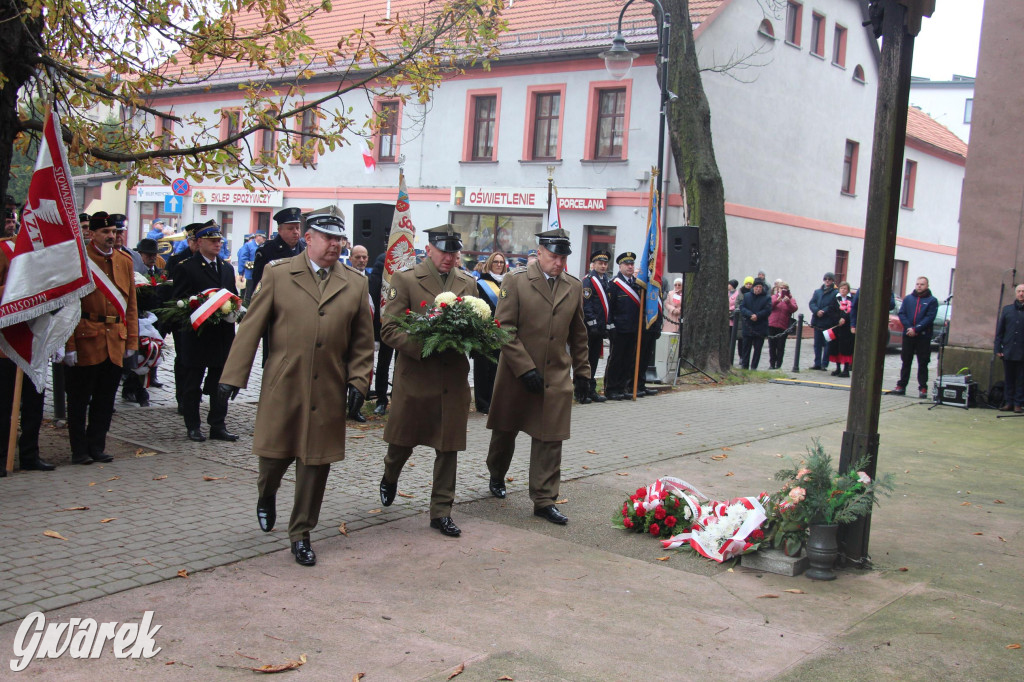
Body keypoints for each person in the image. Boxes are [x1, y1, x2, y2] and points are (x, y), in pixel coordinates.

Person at [219, 206, 374, 566]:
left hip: (328, 388)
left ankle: (301, 532)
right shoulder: (278, 274)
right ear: (308, 238)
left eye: (340, 238)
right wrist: (231, 378)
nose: (336, 245)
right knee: (274, 457)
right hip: (284, 383)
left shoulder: (355, 282)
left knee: (315, 465)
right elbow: (252, 329)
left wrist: (357, 381)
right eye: (328, 237)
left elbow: (363, 342)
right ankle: (266, 493)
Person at [378, 224, 478, 537]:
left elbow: (476, 327)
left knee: (448, 447)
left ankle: (441, 512)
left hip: (451, 379)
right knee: (402, 441)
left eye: (454, 251)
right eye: (444, 251)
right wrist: (426, 344)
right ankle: (390, 475)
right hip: (416, 377)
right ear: (429, 250)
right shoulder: (406, 279)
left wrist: (472, 340)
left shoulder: (468, 283)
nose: (450, 257)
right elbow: (389, 329)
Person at [485, 228, 590, 525]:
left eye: (563, 257)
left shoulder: (572, 286)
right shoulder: (516, 281)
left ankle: (544, 500)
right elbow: (503, 328)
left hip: (555, 374)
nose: (558, 263)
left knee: (550, 438)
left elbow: (579, 335)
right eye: (554, 256)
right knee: (505, 432)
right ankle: (496, 473)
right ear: (540, 252)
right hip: (517, 374)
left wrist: (583, 373)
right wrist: (525, 367)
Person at [63, 212, 139, 464]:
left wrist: (131, 340)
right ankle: (79, 450)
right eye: (105, 232)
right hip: (87, 336)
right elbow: (69, 304)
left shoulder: (124, 260)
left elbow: (131, 305)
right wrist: (69, 345)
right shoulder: (79, 260)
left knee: (106, 399)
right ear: (92, 234)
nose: (111, 237)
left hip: (114, 339)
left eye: (114, 232)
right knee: (79, 399)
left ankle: (97, 445)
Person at [170, 220, 240, 442]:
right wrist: (200, 305)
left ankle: (217, 425)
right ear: (199, 242)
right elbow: (179, 301)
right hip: (198, 336)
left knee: (220, 384)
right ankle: (193, 426)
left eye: (219, 240)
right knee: (193, 385)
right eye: (212, 241)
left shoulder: (227, 268)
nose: (217, 244)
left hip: (222, 336)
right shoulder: (186, 267)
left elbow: (233, 297)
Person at [0, 236, 55, 472]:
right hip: (7, 343)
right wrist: (20, 293)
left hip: (36, 339)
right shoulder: (3, 249)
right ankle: (2, 456)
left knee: (34, 403)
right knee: (4, 405)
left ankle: (30, 454)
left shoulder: (38, 251)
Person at [472, 251, 507, 414]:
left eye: (501, 262)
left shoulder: (507, 283)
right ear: (490, 263)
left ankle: (493, 400)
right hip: (484, 332)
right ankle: (481, 402)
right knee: (482, 369)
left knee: (497, 368)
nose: (499, 265)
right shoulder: (481, 283)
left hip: (501, 332)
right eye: (496, 262)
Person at [893, 276, 938, 398]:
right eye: (917, 284)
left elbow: (929, 317)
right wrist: (909, 327)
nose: (919, 286)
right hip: (908, 335)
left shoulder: (932, 301)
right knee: (906, 361)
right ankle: (901, 385)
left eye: (922, 284)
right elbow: (902, 313)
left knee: (923, 362)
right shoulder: (908, 299)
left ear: (927, 286)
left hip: (923, 336)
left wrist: (916, 329)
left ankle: (923, 387)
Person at [604, 252, 640, 400]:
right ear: (620, 266)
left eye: (632, 264)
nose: (630, 267)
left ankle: (622, 387)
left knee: (628, 359)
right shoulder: (614, 284)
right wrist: (610, 325)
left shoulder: (636, 284)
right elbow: (609, 307)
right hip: (619, 328)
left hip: (632, 328)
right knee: (616, 359)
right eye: (627, 264)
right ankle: (611, 388)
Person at [581, 249, 611, 403]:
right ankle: (581, 391)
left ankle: (591, 389)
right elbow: (586, 304)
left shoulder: (605, 280)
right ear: (593, 264)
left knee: (594, 360)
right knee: (585, 360)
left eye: (605, 263)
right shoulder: (588, 280)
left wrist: (606, 325)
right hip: (590, 328)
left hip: (600, 328)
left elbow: (607, 304)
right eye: (600, 263)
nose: (603, 266)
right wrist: (592, 324)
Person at [251, 207, 305, 292]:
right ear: (280, 230)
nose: (296, 232)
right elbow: (259, 285)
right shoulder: (266, 251)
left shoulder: (305, 249)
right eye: (290, 228)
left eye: (297, 228)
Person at [368, 252, 393, 415]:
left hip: (406, 319)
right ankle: (381, 399)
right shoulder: (383, 259)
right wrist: (376, 331)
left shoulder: (414, 260)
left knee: (403, 364)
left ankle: (398, 397)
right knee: (384, 363)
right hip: (385, 321)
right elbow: (374, 293)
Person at [995, 283, 1024, 412]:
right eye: (1019, 291)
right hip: (1008, 350)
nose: (1021, 294)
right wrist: (998, 349)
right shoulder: (1007, 310)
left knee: (1021, 379)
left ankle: (1018, 403)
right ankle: (1009, 402)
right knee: (1009, 378)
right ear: (1015, 293)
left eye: (1023, 291)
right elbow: (1000, 332)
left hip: (1022, 352)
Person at [809, 272, 838, 370]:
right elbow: (812, 303)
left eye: (829, 279)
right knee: (817, 344)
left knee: (827, 344)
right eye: (825, 279)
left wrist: (824, 311)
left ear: (833, 280)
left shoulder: (835, 292)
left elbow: (833, 305)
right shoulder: (818, 292)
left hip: (829, 322)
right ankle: (817, 363)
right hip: (818, 321)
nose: (827, 281)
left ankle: (824, 364)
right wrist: (817, 311)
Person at [740, 278, 771, 370]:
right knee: (746, 347)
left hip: (760, 325)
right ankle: (744, 365)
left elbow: (767, 310)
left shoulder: (766, 298)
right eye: (756, 286)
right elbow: (742, 307)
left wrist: (757, 315)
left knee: (757, 349)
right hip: (748, 325)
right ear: (753, 287)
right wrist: (750, 314)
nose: (758, 289)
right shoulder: (747, 296)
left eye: (760, 287)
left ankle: (754, 366)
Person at [767, 280, 797, 369]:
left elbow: (794, 309)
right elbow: (769, 307)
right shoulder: (773, 297)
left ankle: (778, 364)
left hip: (783, 325)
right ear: (777, 289)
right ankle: (772, 364)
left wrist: (788, 302)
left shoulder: (791, 299)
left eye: (785, 289)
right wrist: (777, 301)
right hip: (772, 324)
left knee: (780, 346)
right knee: (772, 346)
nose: (783, 290)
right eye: (781, 288)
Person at [827, 282, 854, 377]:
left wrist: (845, 319)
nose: (843, 290)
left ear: (848, 290)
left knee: (846, 348)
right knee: (835, 348)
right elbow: (830, 311)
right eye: (842, 288)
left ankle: (846, 369)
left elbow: (853, 312)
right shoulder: (835, 299)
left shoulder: (852, 300)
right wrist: (838, 319)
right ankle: (837, 368)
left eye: (845, 289)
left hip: (847, 329)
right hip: (837, 327)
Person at [237, 231, 267, 303]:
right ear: (257, 237)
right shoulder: (248, 245)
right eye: (263, 237)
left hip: (261, 274)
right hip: (250, 274)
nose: (264, 239)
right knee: (249, 294)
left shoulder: (263, 246)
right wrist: (241, 273)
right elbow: (243, 259)